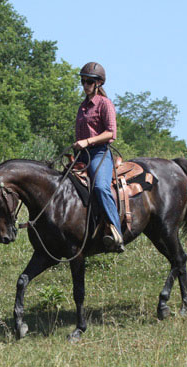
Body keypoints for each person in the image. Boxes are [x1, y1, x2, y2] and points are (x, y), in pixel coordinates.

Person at [73, 61, 124, 253]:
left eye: (89, 82)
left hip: (99, 153)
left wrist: (87, 142)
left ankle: (116, 232)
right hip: (81, 155)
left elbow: (111, 133)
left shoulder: (105, 104)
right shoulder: (82, 106)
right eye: (83, 81)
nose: (85, 85)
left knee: (101, 187)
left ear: (99, 83)